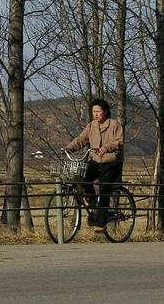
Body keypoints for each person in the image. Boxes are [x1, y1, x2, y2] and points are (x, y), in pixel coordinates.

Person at [65, 98, 123, 232]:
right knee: (83, 177)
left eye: (98, 111)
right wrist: (68, 148)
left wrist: (107, 147)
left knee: (104, 190)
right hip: (96, 160)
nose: (95, 114)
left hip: (112, 162)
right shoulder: (91, 126)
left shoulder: (115, 125)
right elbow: (81, 140)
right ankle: (93, 203)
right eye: (93, 112)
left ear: (105, 112)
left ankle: (101, 223)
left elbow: (119, 142)